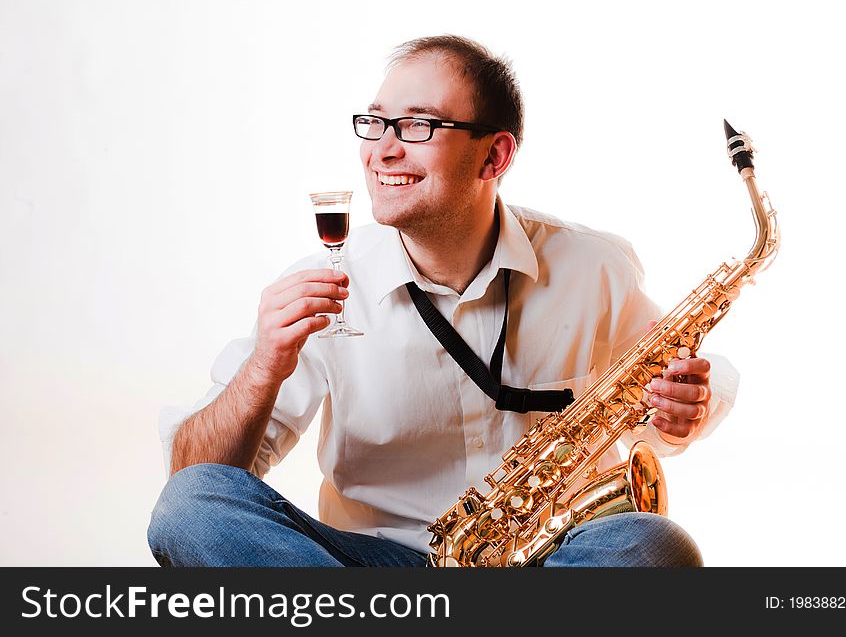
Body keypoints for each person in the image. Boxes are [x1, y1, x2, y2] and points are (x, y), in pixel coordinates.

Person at [148, 35, 739, 568]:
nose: (382, 150)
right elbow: (197, 473)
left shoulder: (594, 267)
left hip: (542, 556)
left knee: (653, 543)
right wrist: (262, 370)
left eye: (418, 126)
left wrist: (684, 407)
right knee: (191, 506)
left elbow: (669, 392)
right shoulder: (327, 284)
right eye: (375, 124)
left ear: (494, 157)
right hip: (376, 566)